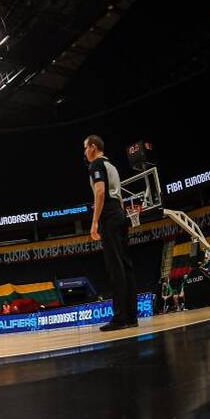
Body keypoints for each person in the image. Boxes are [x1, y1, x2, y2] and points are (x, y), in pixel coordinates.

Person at [84, 134, 137, 330]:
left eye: (85, 147)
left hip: (108, 214)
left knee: (116, 267)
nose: (84, 152)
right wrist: (120, 216)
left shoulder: (96, 165)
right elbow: (120, 197)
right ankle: (131, 316)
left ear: (93, 147)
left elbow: (99, 192)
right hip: (119, 214)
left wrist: (94, 222)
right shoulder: (111, 166)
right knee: (126, 265)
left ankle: (120, 317)